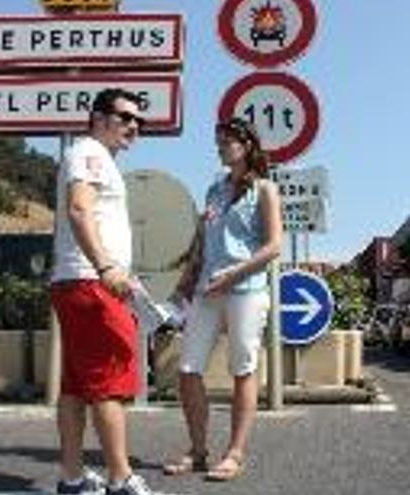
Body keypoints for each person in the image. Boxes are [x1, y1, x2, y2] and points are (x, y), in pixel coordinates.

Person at [49, 87, 157, 495]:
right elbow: (79, 209)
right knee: (111, 381)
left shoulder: (95, 157)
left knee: (77, 387)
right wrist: (107, 266)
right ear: (97, 117)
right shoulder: (90, 153)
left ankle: (72, 478)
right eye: (125, 116)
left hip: (79, 280)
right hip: (91, 282)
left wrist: (120, 272)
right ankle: (120, 478)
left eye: (139, 121)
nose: (133, 126)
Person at [163, 117, 283, 482]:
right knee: (188, 370)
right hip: (205, 290)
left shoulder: (265, 189)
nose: (220, 147)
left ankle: (235, 453)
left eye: (227, 141)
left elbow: (274, 246)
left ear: (246, 145)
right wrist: (186, 281)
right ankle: (198, 451)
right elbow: (202, 242)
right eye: (218, 141)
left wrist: (234, 274)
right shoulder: (214, 189)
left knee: (242, 370)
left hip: (245, 291)